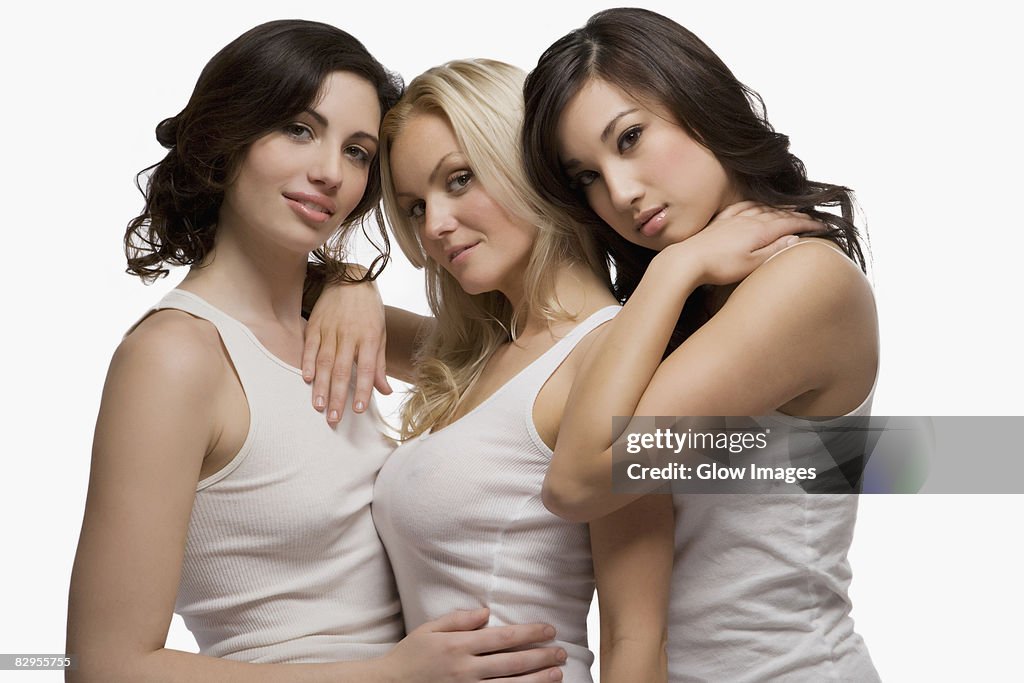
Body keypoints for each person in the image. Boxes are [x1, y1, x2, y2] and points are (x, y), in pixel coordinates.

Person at [66, 20, 568, 683]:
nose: (331, 171)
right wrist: (388, 674)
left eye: (358, 151)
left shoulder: (339, 328)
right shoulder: (175, 358)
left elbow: (518, 362)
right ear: (228, 136)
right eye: (299, 129)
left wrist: (348, 283)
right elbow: (101, 666)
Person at [303, 58, 810, 682]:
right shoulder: (481, 358)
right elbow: (278, 291)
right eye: (412, 207)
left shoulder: (607, 358)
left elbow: (636, 639)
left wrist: (675, 268)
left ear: (523, 167)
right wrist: (351, 280)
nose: (434, 226)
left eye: (460, 179)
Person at [520, 8, 881, 682]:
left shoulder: (805, 281)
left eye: (629, 137)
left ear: (696, 98)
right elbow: (499, 362)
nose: (620, 193)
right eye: (586, 177)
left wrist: (672, 269)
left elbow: (576, 483)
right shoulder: (688, 302)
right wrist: (342, 290)